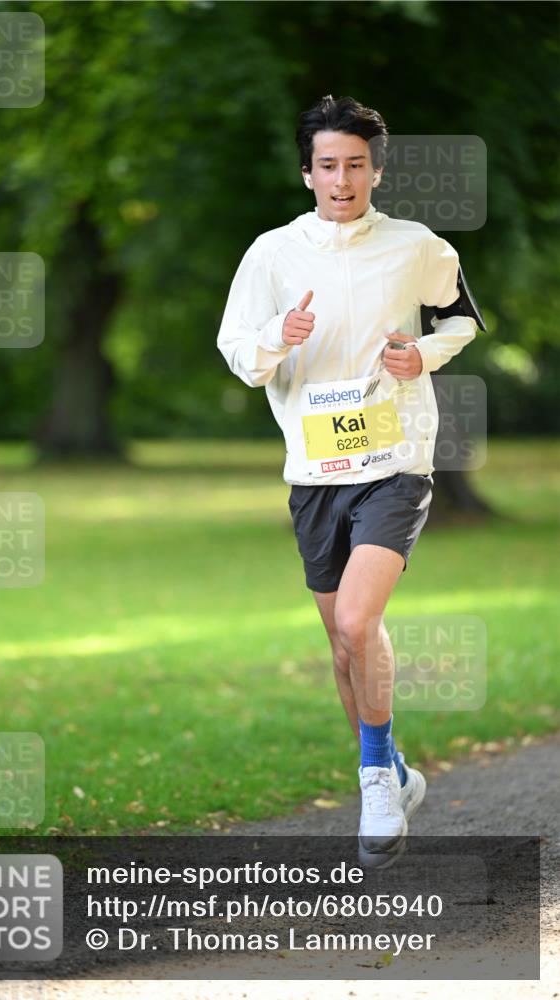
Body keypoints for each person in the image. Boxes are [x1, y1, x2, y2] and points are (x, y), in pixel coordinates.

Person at [217, 94, 485, 867]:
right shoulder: (271, 254)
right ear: (307, 173)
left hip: (394, 459)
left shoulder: (414, 246)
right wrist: (278, 334)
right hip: (312, 469)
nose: (342, 179)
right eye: (327, 165)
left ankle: (371, 775)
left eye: (355, 165)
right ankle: (395, 770)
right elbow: (238, 353)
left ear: (374, 170)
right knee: (342, 641)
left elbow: (460, 319)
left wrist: (421, 356)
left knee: (360, 622)